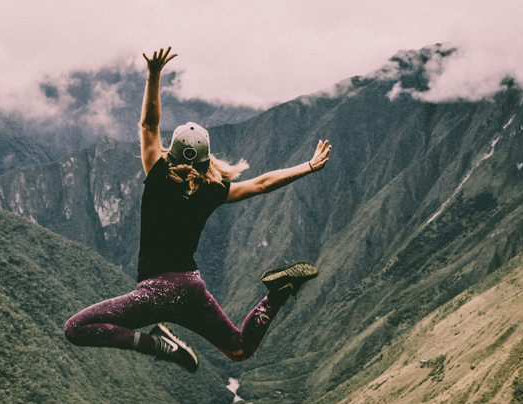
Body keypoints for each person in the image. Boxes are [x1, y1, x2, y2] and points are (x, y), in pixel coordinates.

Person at [64, 47, 331, 372]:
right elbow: (261, 184)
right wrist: (308, 166)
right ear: (206, 159)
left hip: (156, 292)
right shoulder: (212, 190)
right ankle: (275, 295)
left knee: (76, 329)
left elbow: (149, 124)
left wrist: (154, 74)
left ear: (171, 152)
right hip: (191, 289)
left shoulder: (158, 173)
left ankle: (157, 344)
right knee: (239, 349)